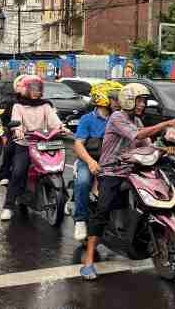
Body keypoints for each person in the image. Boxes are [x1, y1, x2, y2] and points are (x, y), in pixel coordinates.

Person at [80, 83, 175, 280]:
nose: (143, 104)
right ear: (128, 100)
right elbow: (137, 135)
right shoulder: (118, 117)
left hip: (133, 170)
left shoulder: (137, 121)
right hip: (111, 171)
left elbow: (146, 143)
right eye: (140, 100)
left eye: (143, 101)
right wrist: (164, 124)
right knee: (103, 210)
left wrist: (163, 149)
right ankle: (89, 260)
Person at [0, 75, 67, 221]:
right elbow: (15, 122)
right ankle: (8, 206)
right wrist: (18, 130)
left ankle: (64, 200)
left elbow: (54, 121)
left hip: (43, 142)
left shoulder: (45, 105)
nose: (36, 92)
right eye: (33, 88)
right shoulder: (17, 106)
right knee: (18, 172)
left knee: (57, 167)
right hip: (24, 143)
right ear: (25, 90)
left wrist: (62, 128)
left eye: (39, 89)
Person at [70, 82, 122, 241]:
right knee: (83, 182)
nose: (119, 102)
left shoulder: (120, 117)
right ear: (103, 99)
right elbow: (78, 144)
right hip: (90, 160)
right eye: (115, 98)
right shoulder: (87, 119)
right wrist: (91, 162)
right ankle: (80, 219)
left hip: (114, 162)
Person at [0, 75, 28, 186]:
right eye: (20, 85)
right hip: (18, 135)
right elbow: (6, 120)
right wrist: (10, 131)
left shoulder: (43, 103)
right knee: (9, 149)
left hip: (38, 136)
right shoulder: (13, 103)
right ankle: (5, 175)